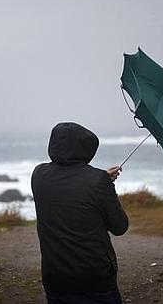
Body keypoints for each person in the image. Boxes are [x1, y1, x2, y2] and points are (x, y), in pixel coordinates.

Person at [31, 122, 129, 304]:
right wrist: (105, 185)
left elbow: (69, 187)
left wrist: (101, 181)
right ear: (87, 149)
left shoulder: (38, 174)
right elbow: (120, 226)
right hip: (94, 277)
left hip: (55, 276)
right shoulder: (97, 181)